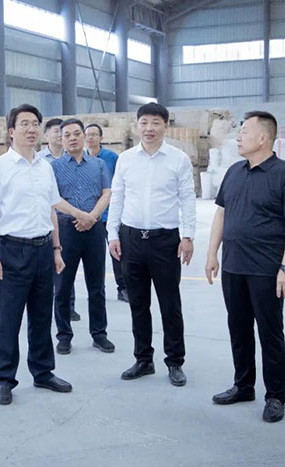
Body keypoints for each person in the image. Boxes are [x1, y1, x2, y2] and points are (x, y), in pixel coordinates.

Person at [205, 111, 285, 423]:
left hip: (266, 269)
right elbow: (221, 214)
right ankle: (243, 385)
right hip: (233, 266)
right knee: (238, 329)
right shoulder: (234, 172)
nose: (238, 136)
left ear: (263, 138)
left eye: (244, 131)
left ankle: (275, 396)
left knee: (270, 333)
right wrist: (212, 254)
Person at [0, 103, 72, 406]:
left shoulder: (45, 167)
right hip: (12, 252)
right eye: (25, 124)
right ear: (11, 131)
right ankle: (4, 379)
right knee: (9, 319)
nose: (32, 129)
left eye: (35, 123)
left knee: (41, 315)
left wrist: (56, 249)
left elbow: (51, 210)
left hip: (43, 249)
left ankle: (43, 371)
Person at [107, 103, 196, 386]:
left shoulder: (178, 159)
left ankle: (175, 361)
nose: (149, 128)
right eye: (144, 122)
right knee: (138, 304)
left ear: (165, 126)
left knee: (170, 304)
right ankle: (143, 359)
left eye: (155, 123)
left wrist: (188, 236)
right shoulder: (126, 160)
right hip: (131, 239)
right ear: (137, 126)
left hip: (165, 241)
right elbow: (117, 197)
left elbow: (187, 198)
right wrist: (112, 234)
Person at [51, 118, 114, 355]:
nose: (73, 138)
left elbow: (106, 193)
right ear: (61, 139)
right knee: (62, 286)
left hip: (94, 229)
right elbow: (54, 199)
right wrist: (80, 215)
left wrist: (92, 217)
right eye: (67, 135)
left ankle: (99, 334)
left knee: (96, 285)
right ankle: (64, 336)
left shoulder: (98, 165)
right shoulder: (53, 168)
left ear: (84, 136)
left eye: (77, 133)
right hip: (66, 230)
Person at [38, 117, 78, 321]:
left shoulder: (73, 158)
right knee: (49, 267)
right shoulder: (38, 161)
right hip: (47, 219)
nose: (59, 135)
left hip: (68, 219)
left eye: (61, 132)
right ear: (46, 135)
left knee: (66, 264)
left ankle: (69, 306)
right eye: (55, 131)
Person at [84, 123, 127, 302]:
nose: (90, 137)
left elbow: (120, 183)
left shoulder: (112, 158)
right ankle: (97, 290)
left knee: (117, 253)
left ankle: (123, 288)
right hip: (89, 216)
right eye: (88, 134)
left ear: (101, 138)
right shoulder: (80, 158)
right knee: (94, 257)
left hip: (109, 214)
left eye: (94, 134)